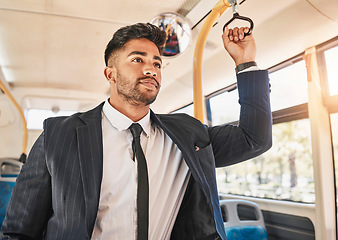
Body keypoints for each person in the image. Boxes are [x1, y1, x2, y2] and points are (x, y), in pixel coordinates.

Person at [0, 23, 272, 240]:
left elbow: (254, 139)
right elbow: (19, 229)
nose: (151, 69)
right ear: (111, 74)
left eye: (156, 63)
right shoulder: (58, 134)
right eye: (137, 59)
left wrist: (245, 62)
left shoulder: (189, 134)